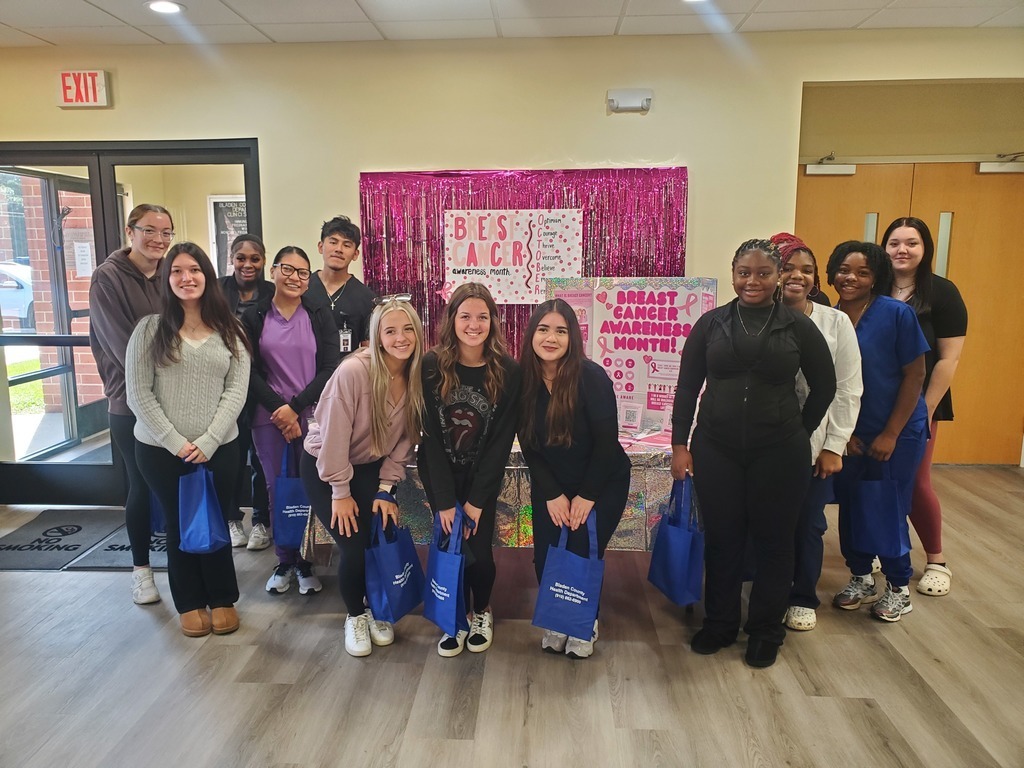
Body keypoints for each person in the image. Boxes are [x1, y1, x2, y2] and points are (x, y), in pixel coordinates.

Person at [671, 239, 836, 668]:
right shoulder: (711, 324)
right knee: (723, 540)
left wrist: (799, 431)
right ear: (733, 273)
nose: (753, 281)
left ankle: (765, 629)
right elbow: (687, 387)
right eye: (745, 272)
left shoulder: (797, 327)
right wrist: (679, 444)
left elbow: (826, 386)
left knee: (774, 542)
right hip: (716, 448)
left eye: (763, 273)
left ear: (778, 275)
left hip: (779, 452)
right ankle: (721, 624)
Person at [125, 242, 251, 637]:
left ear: (207, 277)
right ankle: (190, 602)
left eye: (194, 270)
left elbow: (237, 390)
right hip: (161, 450)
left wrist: (210, 440)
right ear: (167, 280)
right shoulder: (149, 329)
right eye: (176, 271)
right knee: (180, 525)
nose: (186, 278)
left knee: (214, 518)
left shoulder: (230, 329)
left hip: (219, 447)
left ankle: (223, 598)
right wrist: (175, 441)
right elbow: (138, 393)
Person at [300, 298, 424, 657]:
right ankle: (355, 615)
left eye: (407, 329)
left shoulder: (416, 373)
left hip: (370, 466)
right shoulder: (354, 372)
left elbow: (406, 438)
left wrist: (387, 486)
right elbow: (334, 436)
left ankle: (376, 608)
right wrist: (340, 491)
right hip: (328, 465)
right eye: (390, 331)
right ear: (377, 336)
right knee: (352, 544)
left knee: (375, 538)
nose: (400, 338)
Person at [519, 299, 630, 659]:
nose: (551, 337)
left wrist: (586, 495)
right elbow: (529, 446)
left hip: (601, 480)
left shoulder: (590, 377)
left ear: (572, 338)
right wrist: (551, 493)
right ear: (532, 334)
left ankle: (585, 621)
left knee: (582, 550)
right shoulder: (523, 380)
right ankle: (558, 615)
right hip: (553, 483)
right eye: (543, 329)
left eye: (561, 331)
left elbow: (606, 444)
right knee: (545, 556)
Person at [827, 241, 929, 623]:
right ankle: (860, 576)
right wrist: (843, 434)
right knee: (853, 502)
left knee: (886, 504)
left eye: (862, 272)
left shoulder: (896, 313)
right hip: (851, 434)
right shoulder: (829, 316)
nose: (850, 277)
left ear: (877, 278)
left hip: (897, 431)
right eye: (843, 269)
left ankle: (899, 587)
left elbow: (915, 374)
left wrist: (890, 433)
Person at [419, 283, 521, 657]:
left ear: (493, 321)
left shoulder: (508, 371)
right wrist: (445, 500)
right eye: (465, 316)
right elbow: (429, 438)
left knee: (479, 553)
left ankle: (481, 611)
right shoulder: (431, 365)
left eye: (482, 317)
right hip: (441, 474)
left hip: (481, 480)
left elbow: (500, 444)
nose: (474, 324)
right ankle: (453, 615)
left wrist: (477, 500)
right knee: (447, 549)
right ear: (452, 320)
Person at [773, 232, 863, 632]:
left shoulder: (834, 321)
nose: (798, 276)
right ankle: (769, 590)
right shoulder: (754, 316)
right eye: (788, 267)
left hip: (813, 444)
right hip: (761, 443)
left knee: (807, 522)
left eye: (807, 270)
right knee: (767, 520)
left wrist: (834, 445)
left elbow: (847, 387)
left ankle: (802, 596)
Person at [89, 203, 174, 606]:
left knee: (176, 485)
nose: (158, 239)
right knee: (140, 485)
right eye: (150, 231)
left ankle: (184, 563)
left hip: (175, 400)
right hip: (130, 401)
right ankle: (141, 571)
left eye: (166, 232)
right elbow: (123, 346)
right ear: (130, 231)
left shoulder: (170, 274)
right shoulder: (108, 278)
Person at [242, 246, 339, 597]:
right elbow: (247, 371)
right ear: (273, 271)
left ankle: (308, 561)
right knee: (275, 487)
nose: (295, 277)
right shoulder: (254, 317)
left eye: (302, 272)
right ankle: (284, 560)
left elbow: (330, 367)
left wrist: (296, 407)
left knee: (311, 487)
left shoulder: (318, 314)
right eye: (288, 269)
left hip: (312, 416)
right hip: (269, 418)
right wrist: (280, 410)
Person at [882, 217, 967, 597]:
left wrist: (925, 410)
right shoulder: (875, 287)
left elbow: (948, 359)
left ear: (925, 249)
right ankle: (877, 546)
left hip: (922, 402)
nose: (903, 250)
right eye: (895, 243)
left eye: (911, 243)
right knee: (873, 478)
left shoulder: (943, 293)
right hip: (876, 401)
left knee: (915, 481)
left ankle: (936, 560)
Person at [218, 233, 274, 551]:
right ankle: (230, 519)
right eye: (241, 257)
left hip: (260, 384)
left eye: (255, 258)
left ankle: (261, 522)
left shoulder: (272, 293)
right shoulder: (216, 290)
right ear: (232, 258)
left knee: (262, 459)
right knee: (231, 458)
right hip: (224, 386)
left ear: (263, 261)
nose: (248, 264)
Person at [305, 215, 378, 360]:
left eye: (347, 245)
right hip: (305, 374)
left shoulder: (366, 297)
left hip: (346, 376)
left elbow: (368, 350)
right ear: (321, 247)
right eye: (333, 242)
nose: (339, 249)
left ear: (355, 254)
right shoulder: (303, 288)